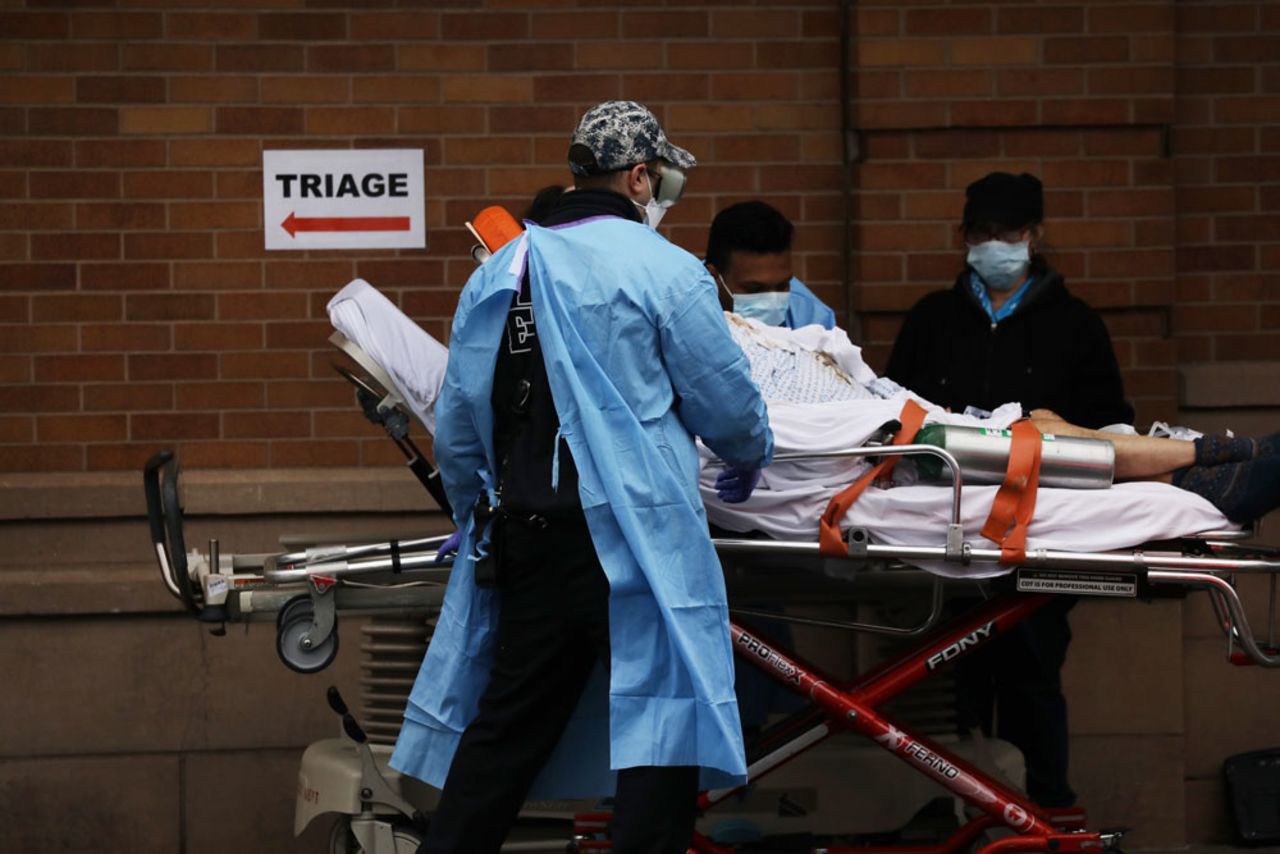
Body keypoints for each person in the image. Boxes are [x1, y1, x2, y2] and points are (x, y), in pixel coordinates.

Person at [391, 100, 773, 854]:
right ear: (639, 178)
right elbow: (729, 410)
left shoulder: (504, 271)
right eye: (662, 180)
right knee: (660, 738)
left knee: (507, 731)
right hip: (640, 542)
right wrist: (749, 454)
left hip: (534, 539)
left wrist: (473, 518)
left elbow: (461, 420)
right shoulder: (666, 271)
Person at [886, 171, 1131, 430]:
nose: (994, 244)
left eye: (1008, 233)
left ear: (1035, 236)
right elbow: (891, 405)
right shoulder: (930, 318)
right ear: (967, 239)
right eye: (982, 233)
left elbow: (1107, 424)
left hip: (1045, 467)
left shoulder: (1077, 324)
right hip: (943, 466)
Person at [705, 200, 837, 330]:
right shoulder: (687, 309)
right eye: (755, 289)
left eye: (782, 286)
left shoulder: (811, 320)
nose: (772, 302)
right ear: (714, 277)